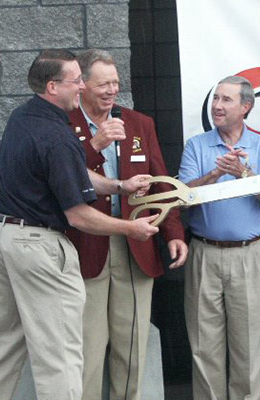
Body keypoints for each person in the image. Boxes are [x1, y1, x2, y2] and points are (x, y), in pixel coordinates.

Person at [0, 49, 159, 400]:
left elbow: (75, 176)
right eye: (77, 80)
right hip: (41, 247)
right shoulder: (58, 137)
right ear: (53, 85)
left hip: (6, 240)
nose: (82, 87)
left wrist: (119, 186)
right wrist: (130, 229)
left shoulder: (22, 118)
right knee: (60, 356)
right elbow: (79, 215)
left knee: (2, 349)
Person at [66, 49, 187, 400]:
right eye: (103, 84)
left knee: (132, 345)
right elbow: (63, 176)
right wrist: (95, 143)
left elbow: (163, 180)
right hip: (85, 244)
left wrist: (174, 233)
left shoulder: (138, 123)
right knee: (87, 346)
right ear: (82, 84)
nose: (111, 91)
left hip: (136, 244)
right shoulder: (64, 121)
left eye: (115, 83)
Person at [178, 75, 260, 399]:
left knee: (249, 348)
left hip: (248, 254)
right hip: (204, 254)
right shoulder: (197, 145)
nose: (217, 106)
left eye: (226, 100)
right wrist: (216, 173)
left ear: (246, 107)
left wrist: (245, 175)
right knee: (203, 347)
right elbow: (183, 198)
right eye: (215, 99)